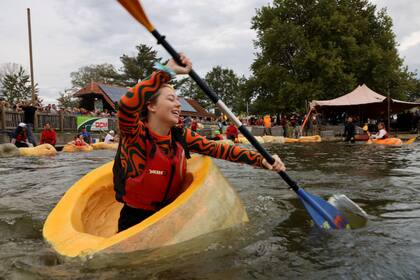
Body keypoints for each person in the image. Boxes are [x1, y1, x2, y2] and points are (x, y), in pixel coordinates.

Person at [113, 54, 285, 233]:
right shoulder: (135, 135)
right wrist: (166, 72)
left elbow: (219, 150)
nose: (178, 105)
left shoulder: (180, 136)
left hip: (171, 215)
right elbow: (126, 106)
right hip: (135, 221)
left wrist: (262, 160)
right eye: (171, 99)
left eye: (178, 100)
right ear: (151, 106)